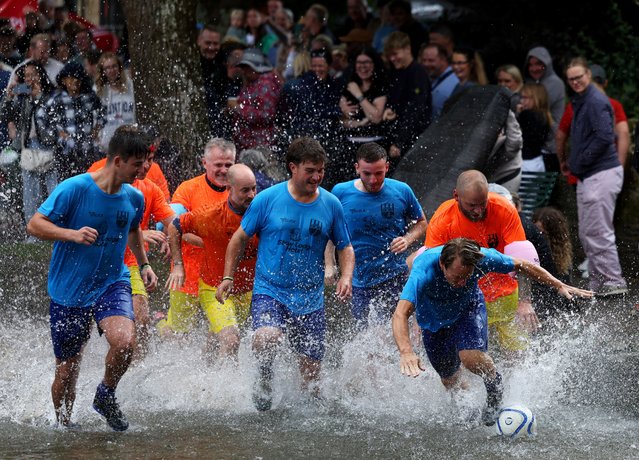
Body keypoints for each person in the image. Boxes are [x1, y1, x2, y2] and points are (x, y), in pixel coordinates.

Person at [26, 125, 158, 431]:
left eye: (145, 162)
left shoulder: (134, 197)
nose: (144, 169)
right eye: (138, 163)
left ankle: (105, 394)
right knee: (67, 371)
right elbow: (34, 225)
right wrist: (71, 233)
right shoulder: (74, 189)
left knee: (125, 341)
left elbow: (135, 228)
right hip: (68, 291)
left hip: (112, 282)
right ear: (117, 161)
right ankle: (64, 424)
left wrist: (144, 264)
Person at [217, 137, 354, 411]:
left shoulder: (331, 204)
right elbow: (238, 239)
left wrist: (345, 276)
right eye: (310, 171)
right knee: (267, 337)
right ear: (293, 167)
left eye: (321, 171)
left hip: (310, 298)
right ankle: (264, 377)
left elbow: (345, 246)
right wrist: (228, 277)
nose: (316, 177)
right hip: (271, 289)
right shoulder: (267, 199)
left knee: (311, 385)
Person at [393, 238, 592, 425]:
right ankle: (467, 410)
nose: (461, 283)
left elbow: (521, 264)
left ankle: (494, 382)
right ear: (443, 265)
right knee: (449, 379)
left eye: (467, 276)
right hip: (433, 322)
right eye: (456, 276)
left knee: (471, 358)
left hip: (467, 310)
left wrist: (558, 284)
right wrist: (406, 352)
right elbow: (400, 314)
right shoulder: (423, 269)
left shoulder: (482, 258)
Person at [421, 170, 540, 352]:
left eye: (483, 204)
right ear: (456, 196)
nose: (478, 211)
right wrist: (423, 312)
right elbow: (430, 268)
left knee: (517, 354)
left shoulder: (504, 209)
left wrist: (525, 301)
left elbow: (522, 258)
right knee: (472, 355)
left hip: (505, 294)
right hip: (465, 297)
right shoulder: (442, 220)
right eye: (471, 205)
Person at [87, 146, 175, 360]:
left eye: (150, 160)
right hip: (93, 261)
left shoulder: (149, 189)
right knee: (83, 325)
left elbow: (173, 221)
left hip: (130, 262)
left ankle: (138, 366)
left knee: (141, 316)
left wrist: (174, 238)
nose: (146, 166)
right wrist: (141, 233)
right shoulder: (95, 179)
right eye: (141, 161)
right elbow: (92, 224)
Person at [327, 142, 426, 330]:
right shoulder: (340, 192)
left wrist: (407, 239)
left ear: (387, 167)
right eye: (367, 173)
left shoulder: (402, 190)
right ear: (357, 168)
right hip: (359, 281)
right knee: (367, 337)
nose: (373, 180)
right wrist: (329, 265)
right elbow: (332, 232)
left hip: (395, 275)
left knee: (398, 331)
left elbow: (422, 223)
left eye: (379, 173)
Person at [166, 164, 258, 360]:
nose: (251, 195)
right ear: (229, 189)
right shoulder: (211, 216)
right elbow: (175, 226)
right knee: (231, 339)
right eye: (245, 190)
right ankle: (226, 388)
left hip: (245, 291)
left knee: (216, 339)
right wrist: (178, 265)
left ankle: (204, 376)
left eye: (254, 188)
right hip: (213, 288)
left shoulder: (263, 213)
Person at [559, 57, 627, 297]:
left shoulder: (596, 101)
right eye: (571, 79)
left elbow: (604, 138)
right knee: (588, 232)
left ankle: (613, 282)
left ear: (588, 75)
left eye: (579, 77)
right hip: (590, 174)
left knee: (598, 231)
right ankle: (600, 284)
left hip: (600, 173)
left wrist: (577, 161)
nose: (576, 82)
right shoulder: (581, 100)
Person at [156, 138, 236, 336]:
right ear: (204, 163)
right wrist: (209, 242)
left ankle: (212, 366)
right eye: (218, 165)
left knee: (220, 333)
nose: (224, 170)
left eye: (229, 165)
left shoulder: (240, 191)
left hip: (219, 275)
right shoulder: (188, 189)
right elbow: (173, 226)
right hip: (188, 272)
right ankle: (158, 327)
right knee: (178, 333)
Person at [1, 62, 57, 227]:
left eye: (33, 75)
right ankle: (33, 227)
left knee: (52, 189)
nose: (29, 79)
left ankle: (55, 225)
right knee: (30, 191)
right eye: (26, 76)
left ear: (40, 76)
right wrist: (9, 96)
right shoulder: (23, 96)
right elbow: (4, 114)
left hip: (47, 144)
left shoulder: (50, 95)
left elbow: (51, 118)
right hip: (28, 145)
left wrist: (38, 97)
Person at [39, 61, 105, 180]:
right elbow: (40, 116)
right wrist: (56, 133)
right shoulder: (57, 99)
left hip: (87, 149)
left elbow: (102, 113)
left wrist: (97, 129)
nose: (75, 81)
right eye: (71, 78)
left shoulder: (90, 97)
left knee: (89, 182)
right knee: (67, 184)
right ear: (64, 81)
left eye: (78, 78)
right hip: (65, 151)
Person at [338, 47, 388, 184]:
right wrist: (360, 123)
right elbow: (343, 120)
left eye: (367, 63)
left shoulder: (380, 86)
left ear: (374, 64)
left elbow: (375, 117)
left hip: (375, 145)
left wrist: (359, 95)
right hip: (350, 147)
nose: (362, 67)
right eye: (359, 63)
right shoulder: (347, 87)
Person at [383, 31, 431, 170]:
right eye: (390, 55)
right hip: (397, 136)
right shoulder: (396, 72)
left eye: (396, 54)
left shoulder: (418, 73)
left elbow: (414, 111)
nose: (393, 58)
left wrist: (399, 142)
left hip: (412, 140)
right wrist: (391, 110)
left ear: (407, 49)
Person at [231, 48, 281, 151]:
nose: (244, 71)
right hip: (247, 144)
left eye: (247, 67)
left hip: (260, 144)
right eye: (243, 67)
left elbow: (266, 114)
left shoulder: (266, 84)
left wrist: (238, 108)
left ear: (258, 67)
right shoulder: (251, 82)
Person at [95, 53, 136, 153]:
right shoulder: (99, 91)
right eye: (107, 68)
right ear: (103, 71)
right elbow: (96, 120)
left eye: (114, 66)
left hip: (131, 140)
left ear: (119, 67)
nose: (111, 70)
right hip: (108, 146)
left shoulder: (131, 86)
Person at [524, 46, 565, 129]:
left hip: (551, 137)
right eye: (531, 65)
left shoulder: (555, 83)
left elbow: (534, 108)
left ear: (547, 64)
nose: (534, 69)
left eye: (538, 64)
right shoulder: (533, 82)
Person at [516, 83, 553, 172]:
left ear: (536, 98)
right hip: (537, 160)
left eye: (525, 98)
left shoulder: (527, 114)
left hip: (525, 162)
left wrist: (518, 114)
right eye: (521, 97)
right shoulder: (544, 115)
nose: (521, 101)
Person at [419, 43, 459, 120]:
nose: (426, 64)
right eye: (423, 60)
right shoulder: (434, 78)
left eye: (431, 60)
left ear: (443, 59)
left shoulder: (453, 82)